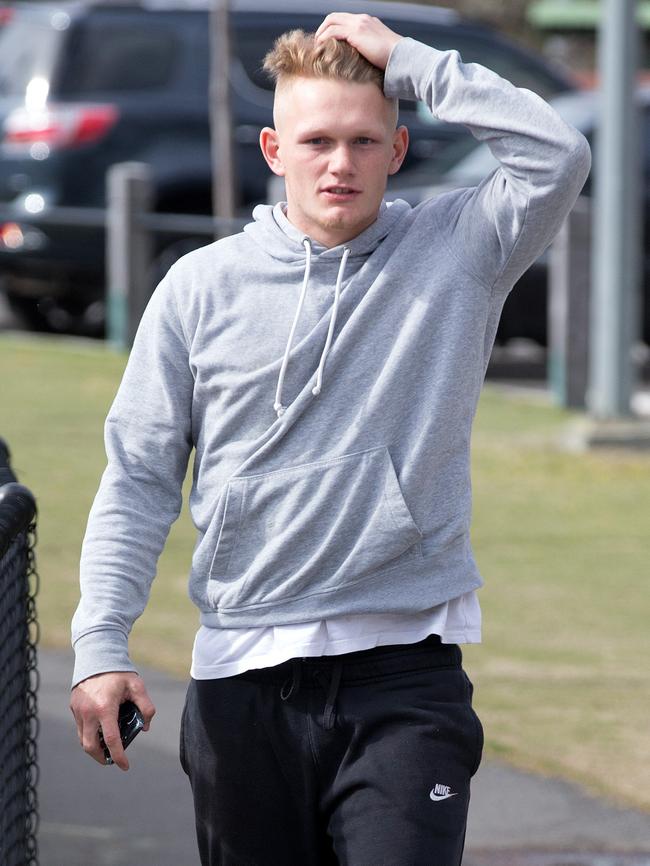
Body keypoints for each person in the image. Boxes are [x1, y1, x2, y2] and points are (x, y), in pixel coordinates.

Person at [69, 12, 591, 865]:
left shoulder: (460, 249)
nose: (340, 164)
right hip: (240, 680)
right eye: (316, 141)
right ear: (274, 150)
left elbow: (558, 153)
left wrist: (413, 60)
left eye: (363, 140)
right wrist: (99, 648)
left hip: (404, 681)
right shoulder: (199, 288)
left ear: (398, 147)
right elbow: (137, 478)